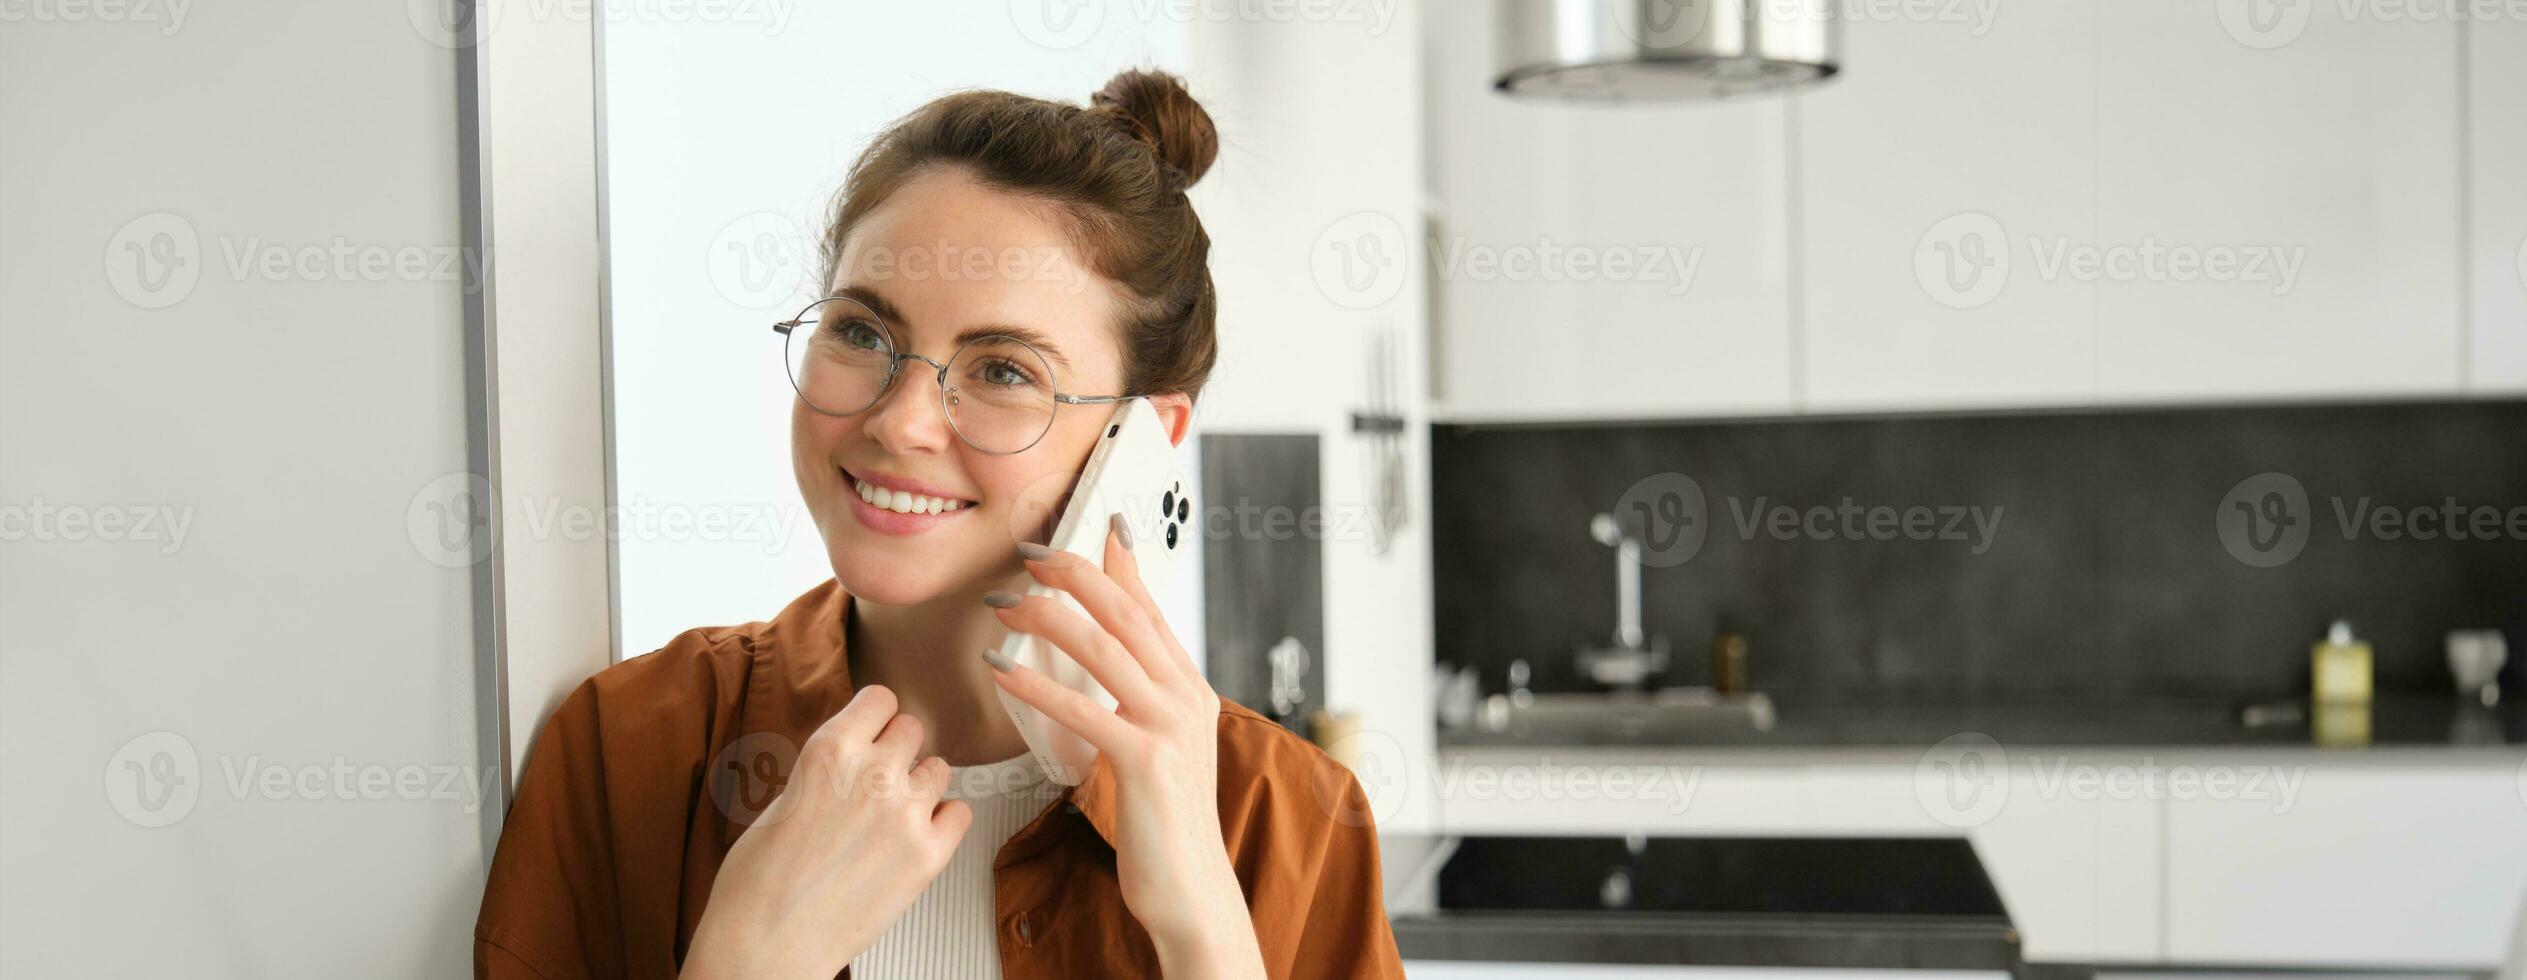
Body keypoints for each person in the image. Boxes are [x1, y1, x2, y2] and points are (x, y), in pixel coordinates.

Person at [472, 67, 1408, 979]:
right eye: (862, 333)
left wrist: (1204, 926)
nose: (899, 421)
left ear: (1142, 439)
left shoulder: (1289, 818)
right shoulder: (628, 748)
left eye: (1003, 369)